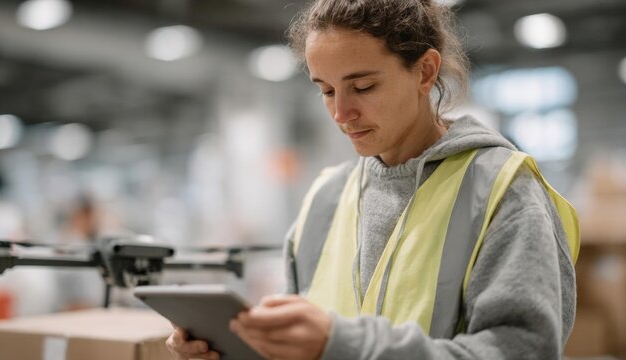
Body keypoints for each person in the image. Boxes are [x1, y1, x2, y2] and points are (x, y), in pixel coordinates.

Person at [166, 0, 580, 359]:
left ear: (425, 72)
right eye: (326, 91)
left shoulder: (501, 191)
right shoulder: (325, 200)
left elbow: (523, 350)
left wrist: (343, 345)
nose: (340, 113)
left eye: (362, 86)